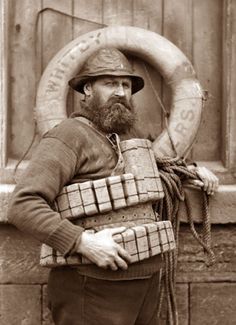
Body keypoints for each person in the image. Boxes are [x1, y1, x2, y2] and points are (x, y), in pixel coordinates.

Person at [7, 47, 218, 325]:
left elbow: (156, 171)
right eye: (109, 83)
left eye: (126, 84)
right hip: (92, 288)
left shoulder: (129, 135)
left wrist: (190, 172)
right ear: (87, 90)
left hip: (145, 284)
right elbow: (23, 205)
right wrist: (83, 242)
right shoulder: (67, 137)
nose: (120, 91)